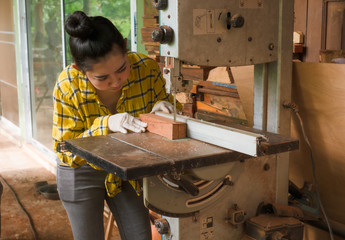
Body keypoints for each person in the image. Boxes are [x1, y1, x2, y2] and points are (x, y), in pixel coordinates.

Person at [52, 11, 180, 240]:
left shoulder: (146, 69)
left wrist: (165, 106)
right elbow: (64, 151)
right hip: (81, 170)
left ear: (125, 46)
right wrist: (106, 124)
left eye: (122, 69)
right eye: (102, 77)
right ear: (80, 69)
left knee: (140, 235)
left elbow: (168, 108)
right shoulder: (67, 86)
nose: (116, 81)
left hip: (127, 164)